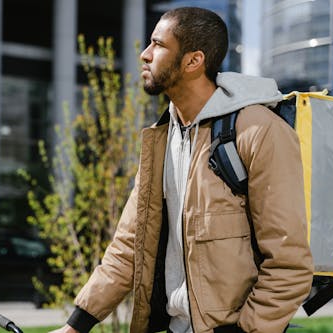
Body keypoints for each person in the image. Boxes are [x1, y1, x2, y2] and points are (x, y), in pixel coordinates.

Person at [50, 7, 313, 333]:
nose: (145, 55)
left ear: (193, 61)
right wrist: (76, 325)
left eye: (158, 45)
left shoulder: (257, 131)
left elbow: (289, 263)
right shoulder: (160, 138)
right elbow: (129, 247)